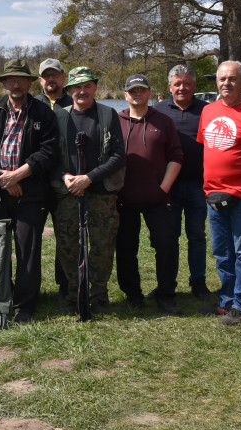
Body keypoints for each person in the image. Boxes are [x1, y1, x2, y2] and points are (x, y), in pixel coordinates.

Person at [0, 59, 59, 323]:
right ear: (4, 83)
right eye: (11, 79)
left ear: (30, 83)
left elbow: (49, 150)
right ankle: (1, 299)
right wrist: (3, 179)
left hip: (30, 193)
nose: (16, 84)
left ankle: (25, 305)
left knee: (27, 250)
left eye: (21, 79)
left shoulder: (43, 113)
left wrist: (19, 175)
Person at [51, 67, 126, 313]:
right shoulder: (59, 117)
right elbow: (50, 156)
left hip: (102, 194)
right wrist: (67, 177)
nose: (82, 91)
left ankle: (99, 296)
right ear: (69, 90)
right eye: (77, 87)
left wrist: (89, 178)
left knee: (103, 247)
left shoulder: (107, 114)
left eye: (87, 86)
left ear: (94, 87)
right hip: (69, 193)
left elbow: (118, 155)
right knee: (67, 246)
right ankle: (74, 295)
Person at [197, 60, 241, 325]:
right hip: (213, 195)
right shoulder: (208, 111)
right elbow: (208, 148)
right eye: (222, 79)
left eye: (233, 79)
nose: (227, 83)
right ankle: (226, 301)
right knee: (222, 252)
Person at [116, 74, 183, 314]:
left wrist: (163, 188)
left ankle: (166, 294)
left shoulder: (163, 121)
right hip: (123, 199)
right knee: (125, 248)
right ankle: (132, 294)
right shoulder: (116, 121)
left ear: (149, 93)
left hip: (157, 199)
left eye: (141, 89)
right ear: (126, 94)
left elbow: (176, 156)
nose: (137, 94)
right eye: (132, 90)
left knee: (166, 244)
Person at [153, 65, 214, 301]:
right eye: (177, 84)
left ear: (195, 86)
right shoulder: (158, 111)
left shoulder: (207, 110)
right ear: (169, 86)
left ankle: (198, 282)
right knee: (170, 236)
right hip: (169, 186)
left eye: (187, 83)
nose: (182, 88)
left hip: (198, 184)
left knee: (196, 234)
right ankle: (167, 283)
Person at [34, 58, 73, 301]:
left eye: (55, 75)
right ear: (40, 80)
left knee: (66, 238)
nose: (51, 79)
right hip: (36, 182)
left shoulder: (75, 103)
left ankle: (65, 286)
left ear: (63, 77)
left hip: (65, 183)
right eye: (46, 75)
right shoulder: (31, 104)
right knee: (31, 239)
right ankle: (31, 288)